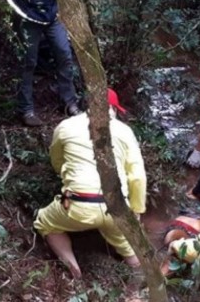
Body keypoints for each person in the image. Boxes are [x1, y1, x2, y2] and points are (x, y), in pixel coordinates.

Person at [33, 88, 147, 278]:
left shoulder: (65, 127)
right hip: (118, 207)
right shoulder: (125, 131)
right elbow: (137, 176)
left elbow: (57, 161)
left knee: (45, 222)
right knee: (132, 251)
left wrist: (67, 175)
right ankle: (139, 280)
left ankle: (73, 268)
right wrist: (136, 212)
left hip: (78, 205)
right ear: (112, 109)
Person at [6, 0, 102, 126]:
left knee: (64, 54)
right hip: (26, 8)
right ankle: (26, 109)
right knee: (28, 61)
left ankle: (69, 102)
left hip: (51, 9)